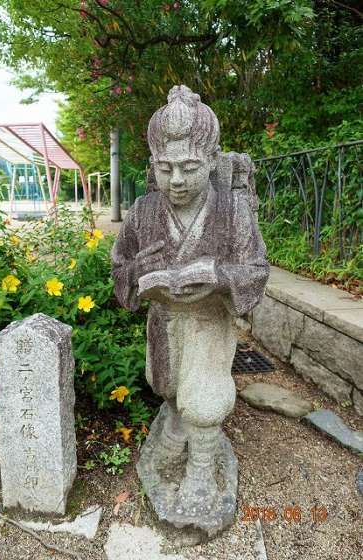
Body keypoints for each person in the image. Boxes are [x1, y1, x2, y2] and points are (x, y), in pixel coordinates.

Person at [112, 85, 269, 518]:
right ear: (153, 165)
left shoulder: (233, 210)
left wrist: (218, 277)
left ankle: (201, 469)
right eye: (165, 169)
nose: (177, 181)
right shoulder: (144, 210)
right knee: (166, 384)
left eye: (189, 167)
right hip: (164, 317)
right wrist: (139, 273)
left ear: (212, 160)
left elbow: (255, 268)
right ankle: (175, 423)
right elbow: (120, 265)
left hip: (207, 317)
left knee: (203, 396)